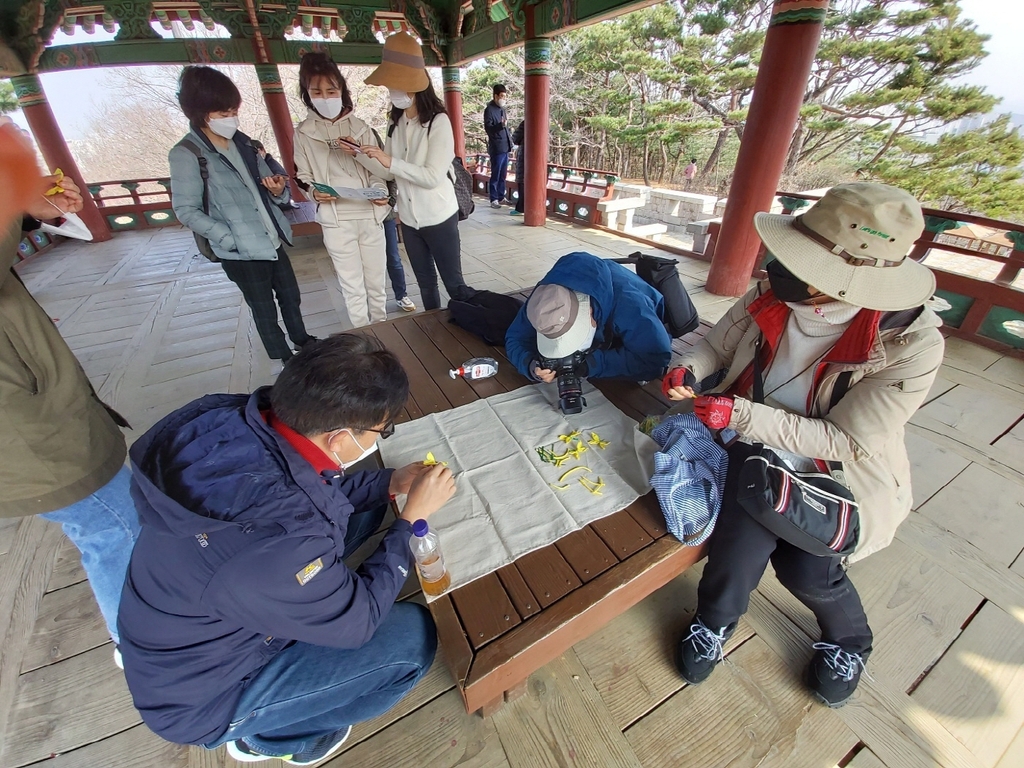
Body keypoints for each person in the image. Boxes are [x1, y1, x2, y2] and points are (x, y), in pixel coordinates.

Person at [663, 182, 944, 708]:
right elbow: (717, 345)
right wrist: (690, 370)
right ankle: (714, 622)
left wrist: (741, 413)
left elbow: (846, 440)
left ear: (841, 284)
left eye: (800, 266)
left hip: (833, 466)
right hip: (752, 439)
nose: (776, 269)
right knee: (745, 526)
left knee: (805, 564)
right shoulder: (773, 292)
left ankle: (849, 641)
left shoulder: (911, 345)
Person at [118, 333, 456, 764]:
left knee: (369, 510)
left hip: (202, 612)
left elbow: (308, 492)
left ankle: (288, 689)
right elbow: (357, 622)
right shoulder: (278, 544)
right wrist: (413, 520)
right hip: (208, 693)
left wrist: (389, 484)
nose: (380, 437)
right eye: (380, 430)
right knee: (413, 639)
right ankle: (277, 737)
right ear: (338, 439)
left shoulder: (246, 421)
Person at [0, 117, 139, 664]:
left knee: (113, 519)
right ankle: (147, 650)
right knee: (114, 526)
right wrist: (16, 198)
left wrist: (32, 206)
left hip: (32, 399)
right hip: (26, 426)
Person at [169, 66, 315, 367]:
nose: (231, 118)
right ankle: (283, 355)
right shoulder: (187, 153)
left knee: (290, 296)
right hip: (240, 250)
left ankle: (302, 340)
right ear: (201, 113)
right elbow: (186, 210)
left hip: (271, 237)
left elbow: (274, 185)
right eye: (223, 112)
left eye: (234, 110)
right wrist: (228, 239)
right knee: (263, 308)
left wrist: (277, 190)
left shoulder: (246, 143)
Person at [358, 32, 475, 311]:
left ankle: (471, 327)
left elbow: (432, 176)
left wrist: (390, 161)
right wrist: (361, 155)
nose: (393, 91)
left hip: (439, 217)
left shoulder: (439, 122)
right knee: (425, 285)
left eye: (397, 84)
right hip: (409, 221)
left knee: (454, 284)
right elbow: (389, 173)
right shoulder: (395, 122)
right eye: (390, 86)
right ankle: (435, 333)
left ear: (415, 84)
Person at [293, 53, 391, 329]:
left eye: (332, 91)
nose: (325, 97)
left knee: (376, 282)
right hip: (336, 220)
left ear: (342, 91)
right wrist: (314, 193)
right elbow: (303, 176)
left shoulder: (361, 128)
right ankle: (363, 337)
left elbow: (378, 171)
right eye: (317, 92)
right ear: (307, 93)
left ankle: (383, 330)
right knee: (352, 286)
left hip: (369, 215)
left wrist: (379, 191)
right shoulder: (303, 133)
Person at [505, 251, 672, 383]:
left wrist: (592, 364)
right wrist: (531, 365)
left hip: (638, 330)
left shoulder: (631, 306)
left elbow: (656, 360)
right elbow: (515, 337)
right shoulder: (545, 297)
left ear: (590, 312)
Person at [484, 84, 513, 209]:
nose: (503, 99)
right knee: (495, 174)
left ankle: (501, 196)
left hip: (505, 146)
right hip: (496, 147)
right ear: (495, 96)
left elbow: (505, 128)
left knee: (503, 174)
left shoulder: (503, 109)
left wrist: (511, 143)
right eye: (501, 96)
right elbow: (488, 129)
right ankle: (494, 199)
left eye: (505, 96)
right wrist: (500, 126)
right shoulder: (489, 110)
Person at [511, 120, 525, 217]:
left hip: (524, 154)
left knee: (522, 181)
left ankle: (521, 207)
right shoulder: (544, 121)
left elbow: (515, 139)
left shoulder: (526, 122)